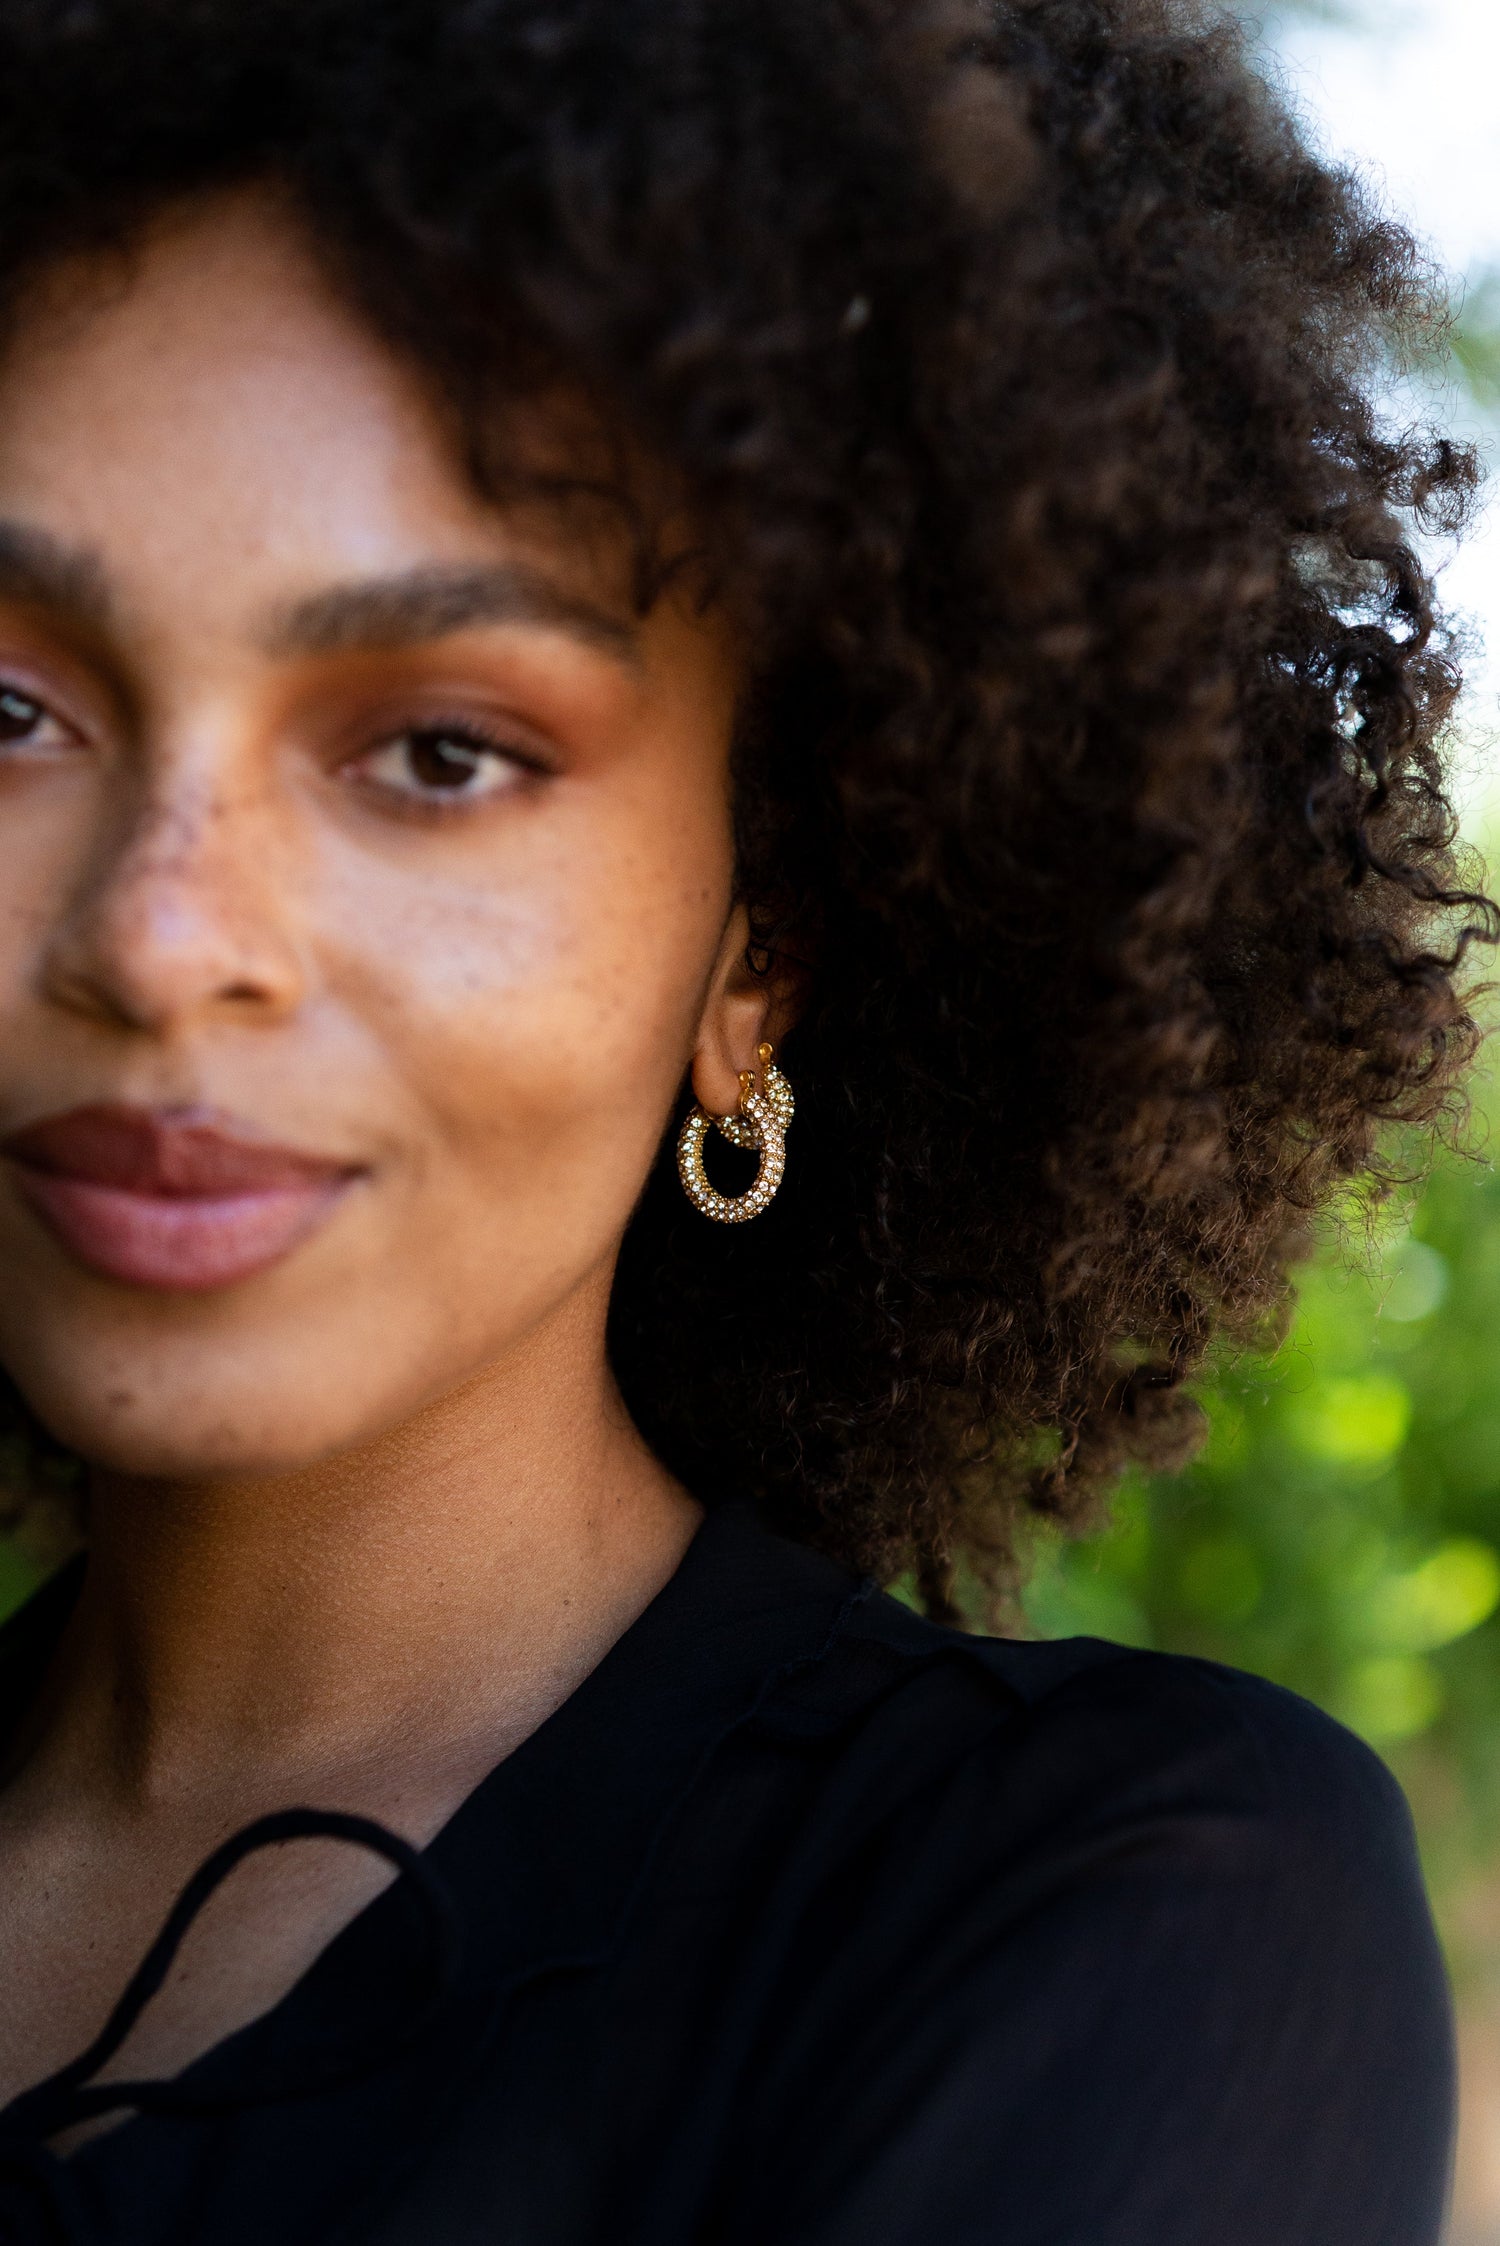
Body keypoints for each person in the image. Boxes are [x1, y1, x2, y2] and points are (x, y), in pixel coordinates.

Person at [0, 0, 1481, 2237]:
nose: (159, 934)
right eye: (9, 707)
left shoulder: (1093, 1911)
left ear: (759, 951)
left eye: (441, 752)